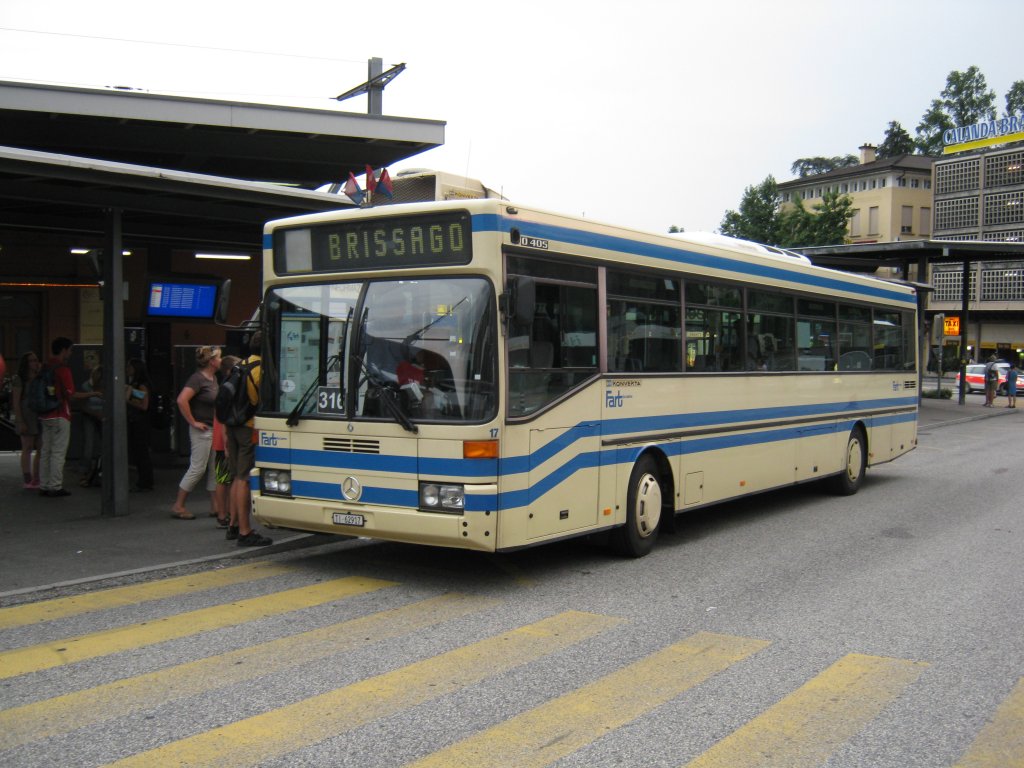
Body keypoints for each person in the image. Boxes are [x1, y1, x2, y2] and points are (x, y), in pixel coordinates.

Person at [225, 333, 272, 546]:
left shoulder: (240, 365)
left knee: (237, 477)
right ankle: (245, 531)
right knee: (245, 478)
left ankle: (233, 524)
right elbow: (261, 401)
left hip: (232, 426)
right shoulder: (261, 371)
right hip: (248, 427)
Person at [171, 346, 221, 520]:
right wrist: (193, 422)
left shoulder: (212, 378)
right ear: (212, 361)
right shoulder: (197, 379)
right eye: (219, 358)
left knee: (214, 468)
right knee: (198, 468)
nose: (221, 361)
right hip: (203, 430)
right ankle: (179, 505)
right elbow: (181, 399)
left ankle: (215, 506)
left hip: (212, 428)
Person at [38, 337, 75, 497]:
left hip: (45, 414)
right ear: (64, 350)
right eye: (70, 350)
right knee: (58, 452)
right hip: (60, 414)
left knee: (46, 450)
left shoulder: (45, 367)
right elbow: (70, 393)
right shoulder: (63, 369)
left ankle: (44, 484)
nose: (71, 353)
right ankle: (55, 485)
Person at [211, 354, 239, 527]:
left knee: (225, 478)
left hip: (222, 440)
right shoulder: (228, 389)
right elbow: (223, 420)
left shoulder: (225, 387)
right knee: (223, 479)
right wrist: (227, 443)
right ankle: (222, 513)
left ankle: (226, 512)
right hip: (223, 441)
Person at [12, 351, 42, 489]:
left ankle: (37, 476)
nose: (35, 363)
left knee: (40, 447)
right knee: (27, 446)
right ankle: (27, 477)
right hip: (26, 414)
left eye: (36, 360)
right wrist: (20, 420)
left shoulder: (40, 377)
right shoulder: (20, 379)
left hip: (39, 414)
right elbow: (16, 402)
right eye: (32, 361)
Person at [126, 358, 155, 491]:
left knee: (141, 452)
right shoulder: (136, 384)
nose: (128, 370)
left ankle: (145, 481)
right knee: (140, 452)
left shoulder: (141, 385)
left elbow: (143, 405)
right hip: (138, 421)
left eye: (130, 367)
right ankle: (145, 480)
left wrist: (127, 400)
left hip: (140, 422)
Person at [78, 365, 104, 487]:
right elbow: (82, 405)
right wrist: (95, 413)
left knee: (105, 445)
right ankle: (84, 473)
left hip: (102, 416)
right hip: (89, 415)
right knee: (88, 445)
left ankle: (100, 470)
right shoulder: (86, 386)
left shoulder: (105, 386)